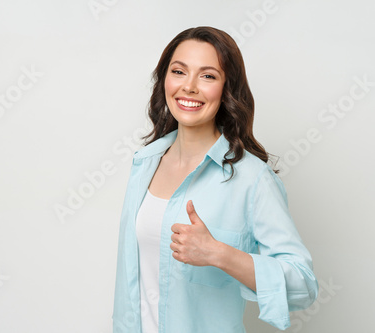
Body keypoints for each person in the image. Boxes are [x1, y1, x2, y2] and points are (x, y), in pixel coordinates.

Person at [112, 26, 319, 333]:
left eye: (208, 76)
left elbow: (303, 284)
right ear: (164, 80)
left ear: (227, 89)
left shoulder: (251, 179)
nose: (190, 87)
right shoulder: (145, 163)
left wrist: (219, 254)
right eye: (179, 71)